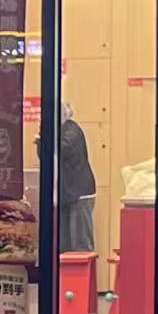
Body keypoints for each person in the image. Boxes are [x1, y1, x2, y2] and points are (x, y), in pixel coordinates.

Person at [58, 101, 98, 253]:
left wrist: (44, 137)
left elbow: (63, 148)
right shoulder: (61, 131)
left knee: (81, 245)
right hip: (67, 193)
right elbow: (45, 156)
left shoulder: (72, 130)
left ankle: (85, 270)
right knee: (64, 246)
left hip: (80, 193)